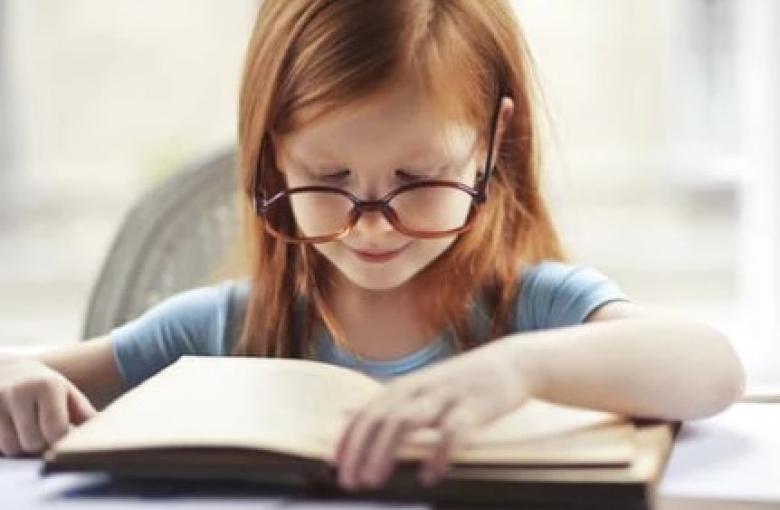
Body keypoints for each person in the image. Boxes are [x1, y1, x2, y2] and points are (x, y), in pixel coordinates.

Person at [0, 0, 745, 493]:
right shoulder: (222, 330)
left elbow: (712, 368)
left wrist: (520, 371)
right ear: (273, 160)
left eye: (419, 178)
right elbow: (23, 373)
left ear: (495, 143)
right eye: (328, 178)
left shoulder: (532, 310)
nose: (372, 225)